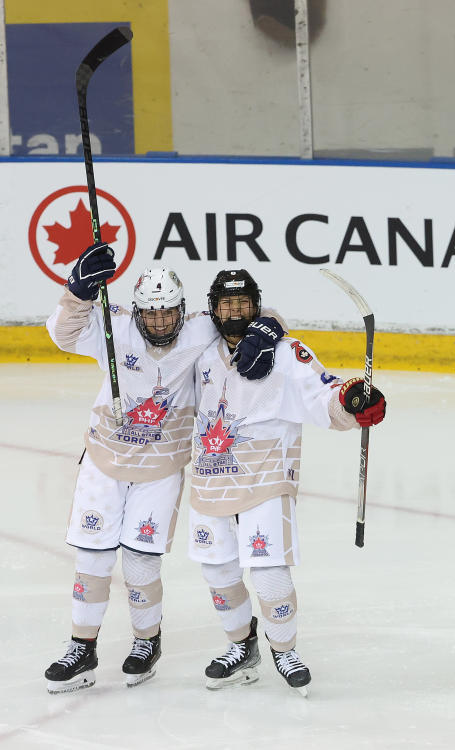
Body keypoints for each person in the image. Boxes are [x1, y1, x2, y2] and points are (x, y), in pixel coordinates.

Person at [43, 243, 284, 694]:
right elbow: (61, 331)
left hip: (161, 468)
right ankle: (82, 646)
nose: (159, 322)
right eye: (150, 314)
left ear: (182, 310)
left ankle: (145, 642)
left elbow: (246, 315)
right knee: (92, 556)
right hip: (104, 460)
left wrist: (269, 328)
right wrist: (77, 289)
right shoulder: (114, 327)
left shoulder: (201, 331)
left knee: (139, 560)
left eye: (167, 313)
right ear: (137, 311)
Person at [186, 268, 386, 696]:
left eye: (243, 304)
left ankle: (284, 649)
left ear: (256, 305)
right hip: (209, 479)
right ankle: (242, 647)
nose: (235, 312)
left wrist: (352, 400)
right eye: (227, 305)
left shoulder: (286, 350)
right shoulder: (201, 350)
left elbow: (324, 393)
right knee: (218, 571)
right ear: (214, 310)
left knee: (270, 573)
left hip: (265, 476)